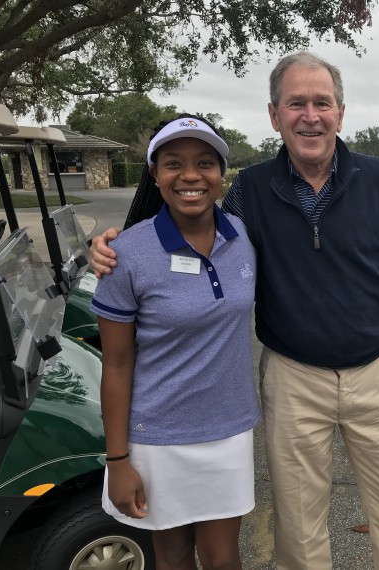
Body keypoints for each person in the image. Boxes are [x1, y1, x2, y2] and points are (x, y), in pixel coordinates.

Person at [91, 52, 379, 570]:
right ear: (275, 115)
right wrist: (117, 241)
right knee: (298, 522)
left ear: (340, 112)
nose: (309, 115)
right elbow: (191, 219)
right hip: (293, 378)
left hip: (374, 370)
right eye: (296, 103)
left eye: (322, 103)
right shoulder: (250, 190)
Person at [90, 114, 260, 570]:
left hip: (228, 430)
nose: (190, 176)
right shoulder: (125, 254)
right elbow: (117, 364)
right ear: (154, 174)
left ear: (222, 173)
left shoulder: (242, 237)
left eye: (205, 162)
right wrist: (118, 460)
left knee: (224, 559)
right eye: (173, 164)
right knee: (173, 556)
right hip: (158, 437)